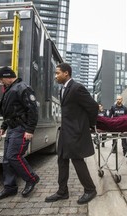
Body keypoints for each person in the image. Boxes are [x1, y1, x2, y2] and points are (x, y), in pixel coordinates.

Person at [45, 63, 98, 205]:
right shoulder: (63, 89)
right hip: (65, 131)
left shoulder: (77, 88)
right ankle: (62, 192)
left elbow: (93, 107)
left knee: (77, 160)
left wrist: (89, 125)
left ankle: (90, 189)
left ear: (66, 73)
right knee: (61, 159)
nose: (56, 76)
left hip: (75, 132)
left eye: (57, 73)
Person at [0, 67, 39, 201]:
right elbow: (10, 112)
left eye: (1, 79)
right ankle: (10, 188)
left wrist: (30, 129)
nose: (1, 82)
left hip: (21, 128)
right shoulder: (10, 89)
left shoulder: (23, 87)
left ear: (7, 77)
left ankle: (31, 178)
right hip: (12, 128)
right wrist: (3, 126)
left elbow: (33, 109)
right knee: (7, 160)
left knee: (14, 156)